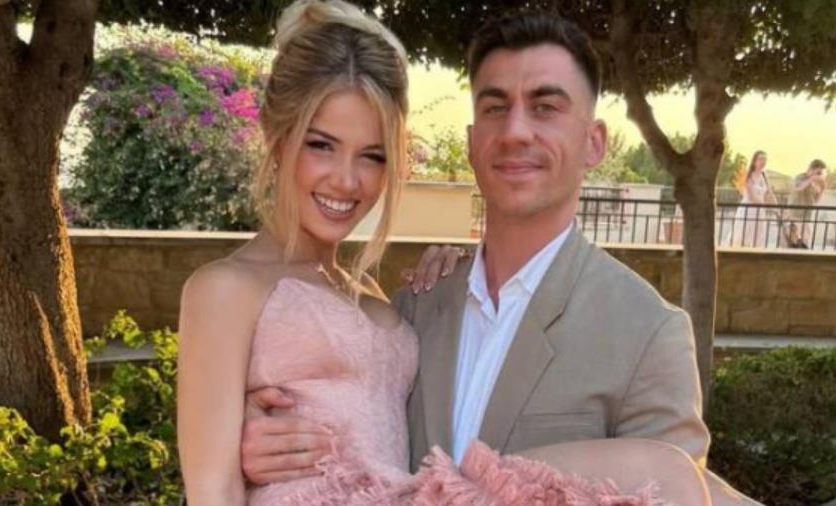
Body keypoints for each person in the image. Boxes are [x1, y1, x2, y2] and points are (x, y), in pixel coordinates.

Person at [178, 2, 710, 504]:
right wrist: (237, 437)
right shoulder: (417, 304)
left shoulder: (647, 332)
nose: (516, 131)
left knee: (670, 475)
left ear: (595, 142)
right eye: (321, 144)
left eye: (545, 107)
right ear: (472, 140)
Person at [731, 150, 778, 247]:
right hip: (749, 210)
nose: (763, 162)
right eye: (760, 159)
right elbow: (752, 197)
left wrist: (775, 205)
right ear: (754, 161)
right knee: (745, 236)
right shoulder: (748, 175)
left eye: (765, 159)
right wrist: (765, 204)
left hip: (760, 211)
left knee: (758, 237)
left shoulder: (764, 175)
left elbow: (769, 193)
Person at [784, 159, 828, 248]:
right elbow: (799, 188)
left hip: (807, 218)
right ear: (811, 169)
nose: (819, 175)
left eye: (820, 173)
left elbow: (816, 200)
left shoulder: (814, 183)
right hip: (795, 217)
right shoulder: (800, 178)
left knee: (806, 246)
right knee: (793, 246)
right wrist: (812, 178)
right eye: (818, 173)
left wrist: (822, 189)